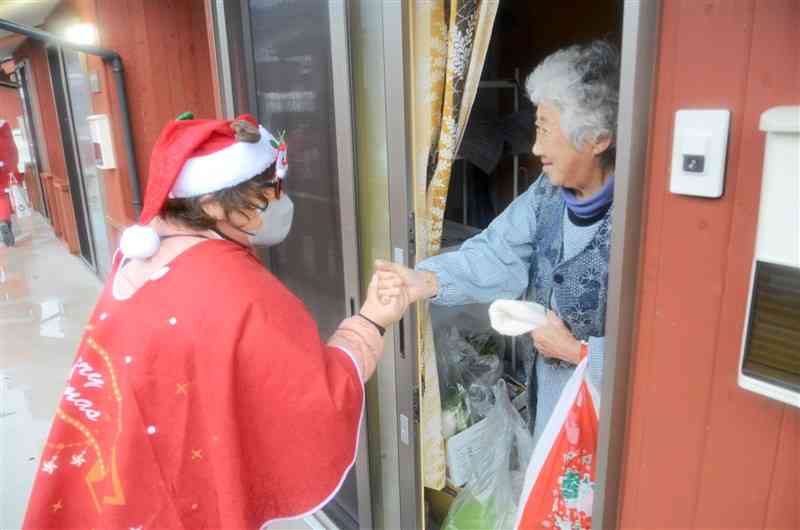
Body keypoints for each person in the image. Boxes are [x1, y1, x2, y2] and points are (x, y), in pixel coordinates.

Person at [23, 113, 408, 529]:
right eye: (268, 192)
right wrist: (372, 320)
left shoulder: (139, 254)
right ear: (211, 204)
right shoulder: (235, 289)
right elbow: (314, 392)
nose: (281, 200)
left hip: (116, 472)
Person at [377, 40, 619, 445]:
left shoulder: (640, 222)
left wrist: (580, 355)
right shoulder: (546, 194)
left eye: (546, 131)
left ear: (597, 140)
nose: (536, 147)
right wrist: (427, 281)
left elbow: (662, 351)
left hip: (606, 420)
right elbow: (498, 251)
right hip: (552, 401)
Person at [0, 120, 20, 247]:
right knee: (2, 196)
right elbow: (12, 149)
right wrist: (12, 167)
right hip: (2, 167)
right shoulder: (4, 126)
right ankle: (4, 222)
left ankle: (3, 223)